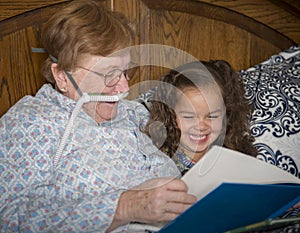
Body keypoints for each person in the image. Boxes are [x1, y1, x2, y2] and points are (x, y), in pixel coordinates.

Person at [0, 1, 196, 232]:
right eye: (109, 75)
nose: (123, 86)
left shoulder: (132, 112)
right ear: (62, 76)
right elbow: (8, 218)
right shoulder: (31, 125)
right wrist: (125, 207)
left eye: (125, 71)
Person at [144, 60, 258, 175]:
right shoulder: (156, 162)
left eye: (212, 116)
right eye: (189, 117)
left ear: (226, 115)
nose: (201, 126)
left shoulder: (237, 157)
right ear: (171, 115)